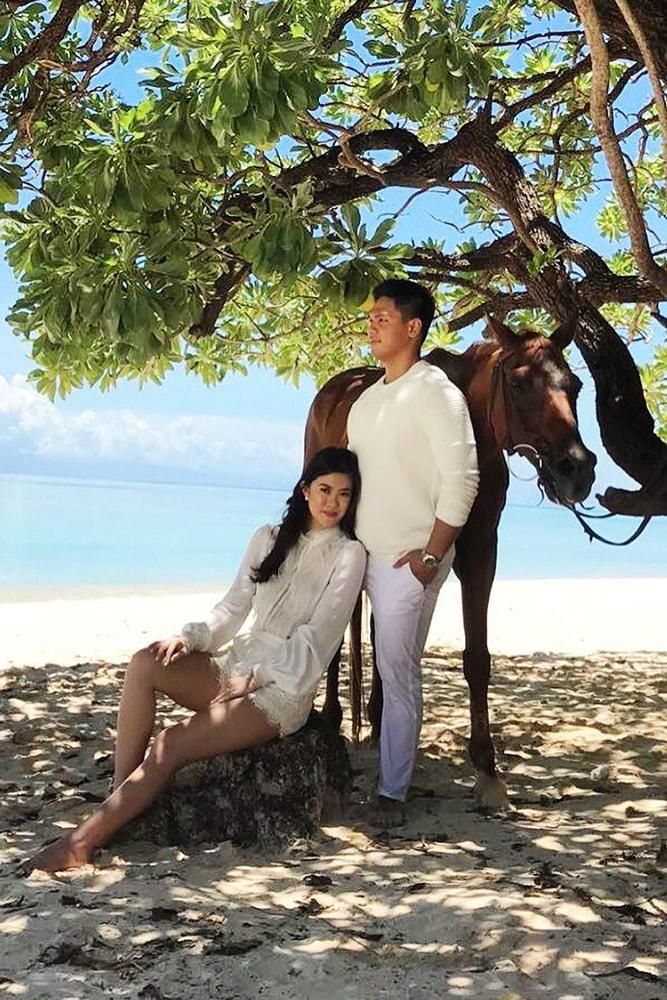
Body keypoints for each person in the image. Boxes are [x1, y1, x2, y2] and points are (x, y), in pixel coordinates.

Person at [30, 447, 366, 872]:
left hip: (281, 688)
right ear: (304, 491)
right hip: (236, 663)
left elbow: (320, 638)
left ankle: (82, 844)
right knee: (143, 663)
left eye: (343, 494)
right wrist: (191, 638)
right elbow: (234, 606)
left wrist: (257, 678)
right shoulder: (268, 537)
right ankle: (121, 801)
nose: (332, 502)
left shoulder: (349, 554)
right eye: (323, 489)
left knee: (169, 743)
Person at [347, 279, 479, 826]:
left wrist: (430, 556)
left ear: (412, 328)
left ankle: (392, 793)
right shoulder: (369, 398)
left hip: (409, 561)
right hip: (358, 557)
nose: (372, 323)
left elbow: (463, 482)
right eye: (371, 315)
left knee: (397, 672)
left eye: (382, 316)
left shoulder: (437, 392)